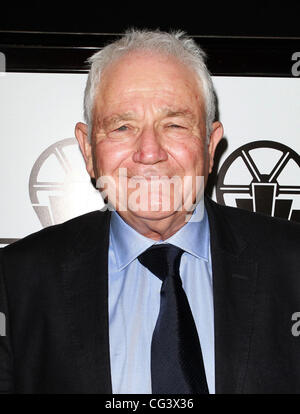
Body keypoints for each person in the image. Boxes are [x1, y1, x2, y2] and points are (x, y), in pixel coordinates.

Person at [0, 29, 300, 394]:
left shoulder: (292, 267)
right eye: (122, 126)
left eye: (174, 124)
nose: (149, 151)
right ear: (88, 150)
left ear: (210, 145)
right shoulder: (14, 284)